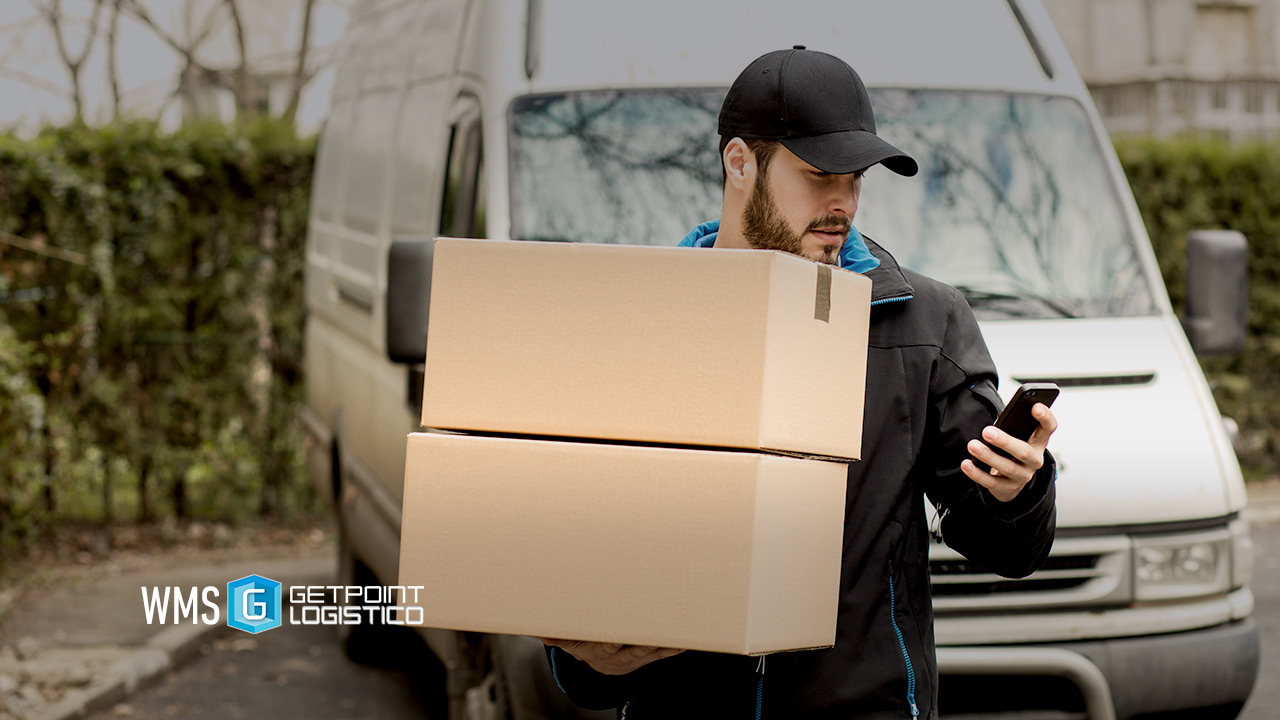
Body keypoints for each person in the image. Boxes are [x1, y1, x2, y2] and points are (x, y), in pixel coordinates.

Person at [542, 46, 1059, 719]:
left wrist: (1018, 492)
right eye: (819, 176)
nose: (841, 203)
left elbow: (1004, 547)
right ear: (739, 163)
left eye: (855, 180)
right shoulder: (639, 323)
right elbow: (576, 557)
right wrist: (585, 661)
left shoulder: (924, 324)